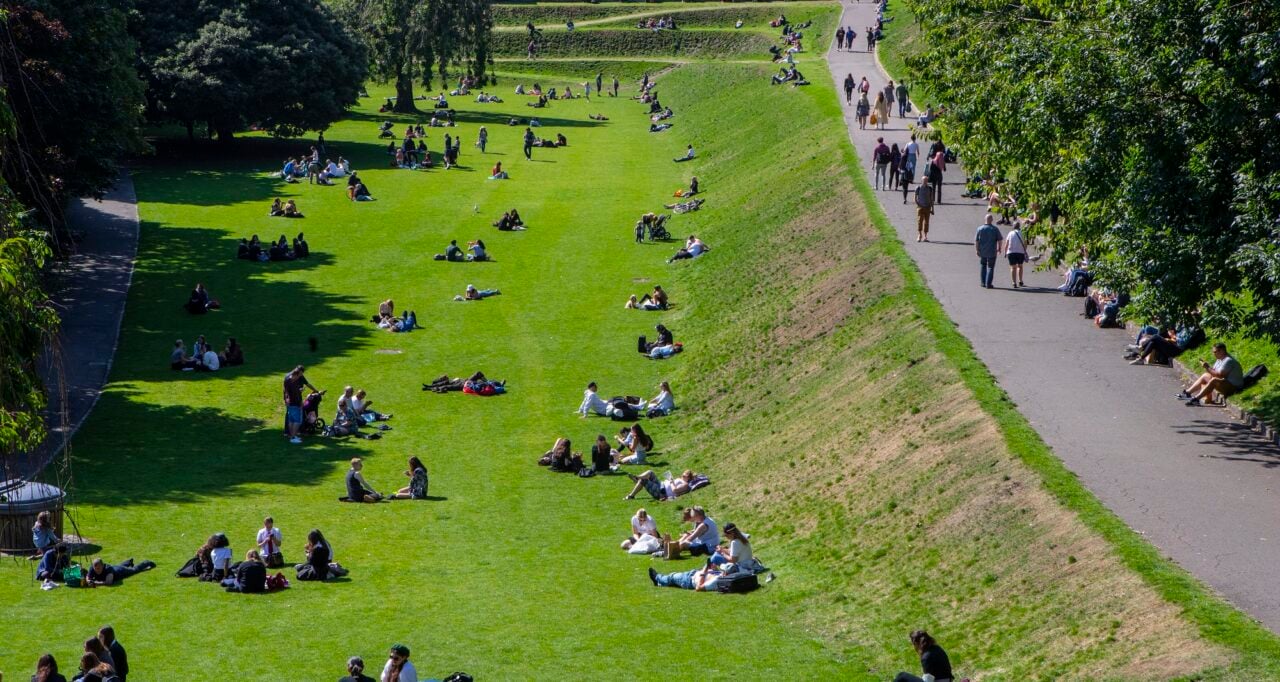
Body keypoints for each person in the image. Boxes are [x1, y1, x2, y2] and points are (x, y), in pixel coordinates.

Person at [1181, 343, 1245, 406]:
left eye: (1215, 352)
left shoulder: (1228, 361)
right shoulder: (1219, 359)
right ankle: (1187, 393)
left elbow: (1220, 375)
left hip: (1234, 387)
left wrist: (1207, 367)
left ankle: (1196, 399)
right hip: (1225, 383)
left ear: (1222, 351)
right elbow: (1213, 371)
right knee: (1206, 375)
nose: (1213, 354)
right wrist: (1207, 367)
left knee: (1214, 380)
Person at [284, 365, 319, 444]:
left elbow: (286, 391)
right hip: (295, 403)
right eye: (299, 375)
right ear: (296, 374)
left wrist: (286, 399)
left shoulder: (287, 379)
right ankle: (293, 437)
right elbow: (296, 393)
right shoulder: (294, 382)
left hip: (289, 403)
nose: (299, 377)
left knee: (291, 420)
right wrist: (300, 402)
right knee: (297, 421)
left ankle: (291, 435)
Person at [624, 469, 699, 501]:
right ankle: (637, 478)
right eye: (683, 475)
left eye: (684, 476)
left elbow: (675, 491)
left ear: (688, 478)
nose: (682, 476)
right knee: (650, 472)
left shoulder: (685, 484)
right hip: (660, 484)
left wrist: (671, 481)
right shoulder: (681, 480)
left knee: (644, 480)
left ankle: (631, 496)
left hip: (660, 492)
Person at [647, 563, 724, 591]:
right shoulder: (722, 575)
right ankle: (660, 583)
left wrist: (705, 570)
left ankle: (657, 577)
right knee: (673, 581)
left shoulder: (717, 581)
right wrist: (714, 569)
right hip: (693, 574)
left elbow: (699, 587)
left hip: (689, 581)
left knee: (671, 577)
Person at [974, 214, 1003, 289]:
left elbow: (976, 240)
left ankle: (983, 282)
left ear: (985, 219)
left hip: (982, 251)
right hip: (992, 251)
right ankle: (988, 284)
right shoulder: (995, 229)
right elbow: (1000, 239)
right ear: (992, 220)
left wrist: (977, 249)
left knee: (983, 265)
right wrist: (999, 248)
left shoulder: (980, 229)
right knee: (990, 267)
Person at [85, 557, 157, 586]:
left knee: (134, 570)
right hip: (115, 567)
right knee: (118, 565)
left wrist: (95, 583)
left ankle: (147, 562)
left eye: (99, 568)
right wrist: (88, 580)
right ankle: (129, 562)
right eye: (95, 568)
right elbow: (88, 576)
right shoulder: (92, 567)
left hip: (120, 572)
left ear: (102, 565)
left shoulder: (108, 569)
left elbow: (108, 582)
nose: (97, 570)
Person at [1003, 221, 1028, 287]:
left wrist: (1005, 252)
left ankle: (1014, 282)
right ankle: (1020, 281)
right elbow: (1025, 243)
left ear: (1013, 226)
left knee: (1013, 267)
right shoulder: (1022, 233)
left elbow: (1007, 244)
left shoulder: (1010, 233)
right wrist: (1024, 250)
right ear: (1019, 226)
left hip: (1011, 252)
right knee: (1020, 266)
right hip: (1020, 252)